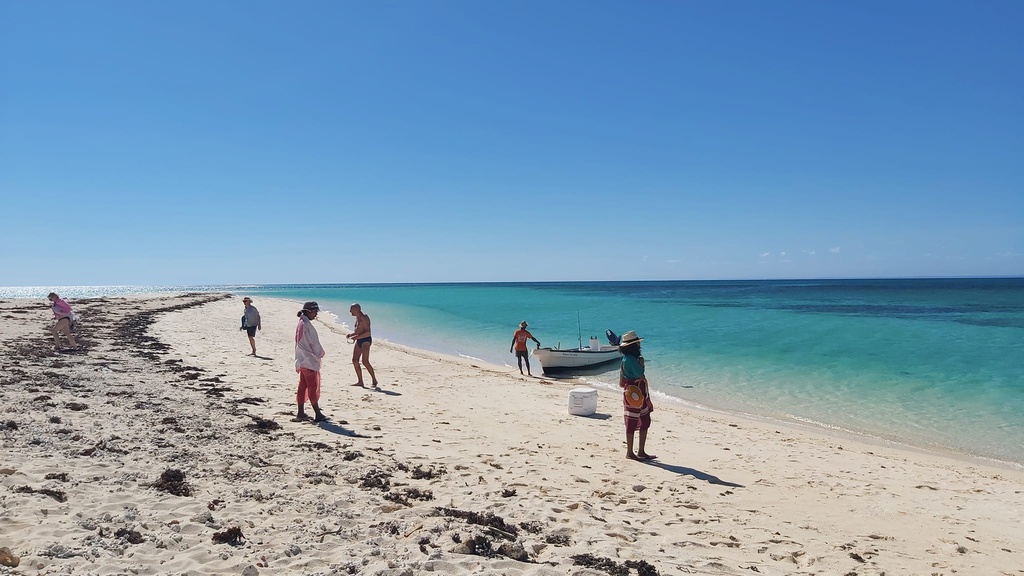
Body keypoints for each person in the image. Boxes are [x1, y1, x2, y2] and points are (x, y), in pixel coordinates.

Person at [619, 330, 656, 461]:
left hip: (632, 391)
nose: (640, 346)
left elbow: (621, 382)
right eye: (638, 344)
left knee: (638, 420)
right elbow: (640, 374)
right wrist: (642, 364)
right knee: (636, 421)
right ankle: (632, 452)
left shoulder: (625, 359)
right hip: (636, 391)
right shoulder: (631, 359)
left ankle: (639, 451)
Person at [294, 301, 327, 422]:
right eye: (315, 312)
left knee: (302, 386)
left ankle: (301, 412)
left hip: (301, 359)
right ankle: (318, 414)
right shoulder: (306, 325)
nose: (316, 315)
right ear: (309, 312)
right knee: (312, 387)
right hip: (308, 360)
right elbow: (314, 342)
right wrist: (320, 353)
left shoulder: (301, 323)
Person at [347, 303, 378, 388]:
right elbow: (359, 330)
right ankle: (360, 381)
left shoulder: (364, 318)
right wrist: (351, 335)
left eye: (351, 309)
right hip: (359, 339)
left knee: (365, 361)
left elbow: (368, 332)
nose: (350, 311)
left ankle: (374, 379)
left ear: (357, 309)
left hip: (366, 340)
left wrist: (355, 337)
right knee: (355, 360)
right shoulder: (357, 318)